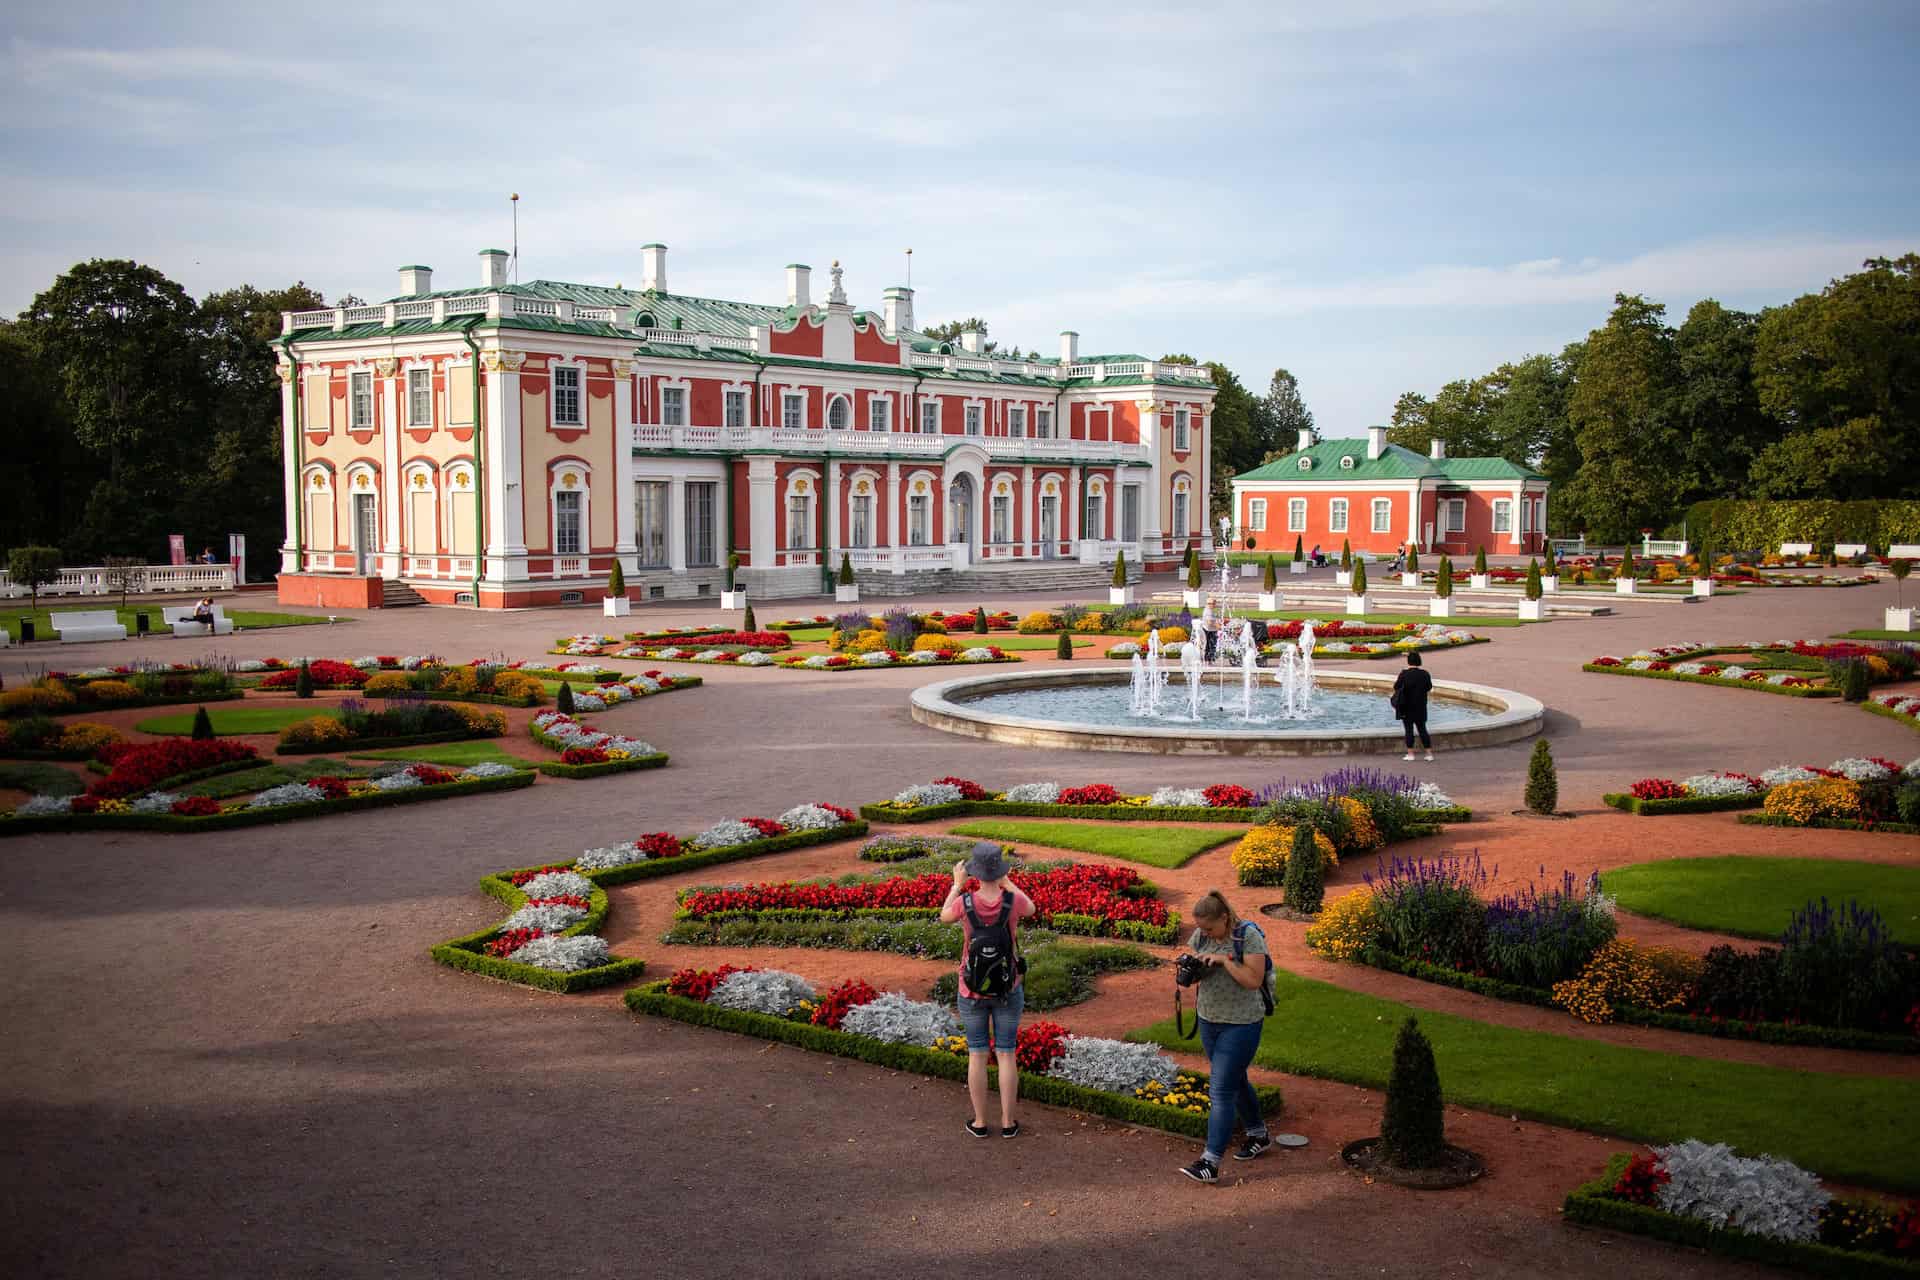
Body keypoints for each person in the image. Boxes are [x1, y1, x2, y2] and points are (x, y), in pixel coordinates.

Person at [940, 841, 1036, 1139]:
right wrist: (1008, 882)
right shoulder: (1012, 901)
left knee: (977, 1053)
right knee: (1006, 1053)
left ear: (975, 872)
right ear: (1000, 870)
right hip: (1008, 987)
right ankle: (1008, 1122)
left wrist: (956, 886)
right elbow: (1031, 908)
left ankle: (980, 1122)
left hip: (971, 988)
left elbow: (944, 915)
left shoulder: (965, 902)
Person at [1178, 890, 1274, 1183]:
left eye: (1208, 928)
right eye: (1200, 928)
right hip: (1209, 1019)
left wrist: (1224, 960)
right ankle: (1258, 1133)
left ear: (1224, 917)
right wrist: (1190, 971)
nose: (1203, 933)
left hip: (1242, 1023)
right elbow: (1197, 973)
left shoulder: (1249, 937)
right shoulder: (1203, 935)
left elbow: (1253, 980)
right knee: (1236, 1079)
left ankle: (1210, 1162)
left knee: (1220, 1090)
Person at [1393, 650, 1434, 761]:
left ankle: (1410, 754)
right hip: (1420, 706)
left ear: (1408, 661)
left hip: (1406, 706)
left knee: (1409, 730)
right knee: (1422, 730)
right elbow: (1429, 687)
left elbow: (1396, 687)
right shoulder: (1425, 673)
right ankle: (1429, 754)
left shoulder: (1404, 674)